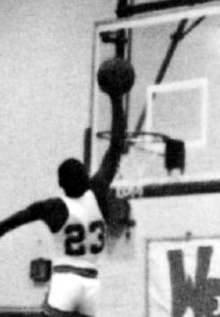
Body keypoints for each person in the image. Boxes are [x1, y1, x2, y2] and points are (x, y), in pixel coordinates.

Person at [0, 87, 125, 317]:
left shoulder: (54, 208)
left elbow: (20, 217)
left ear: (60, 183)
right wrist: (117, 99)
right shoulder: (97, 191)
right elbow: (116, 146)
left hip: (65, 279)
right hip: (91, 284)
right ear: (87, 177)